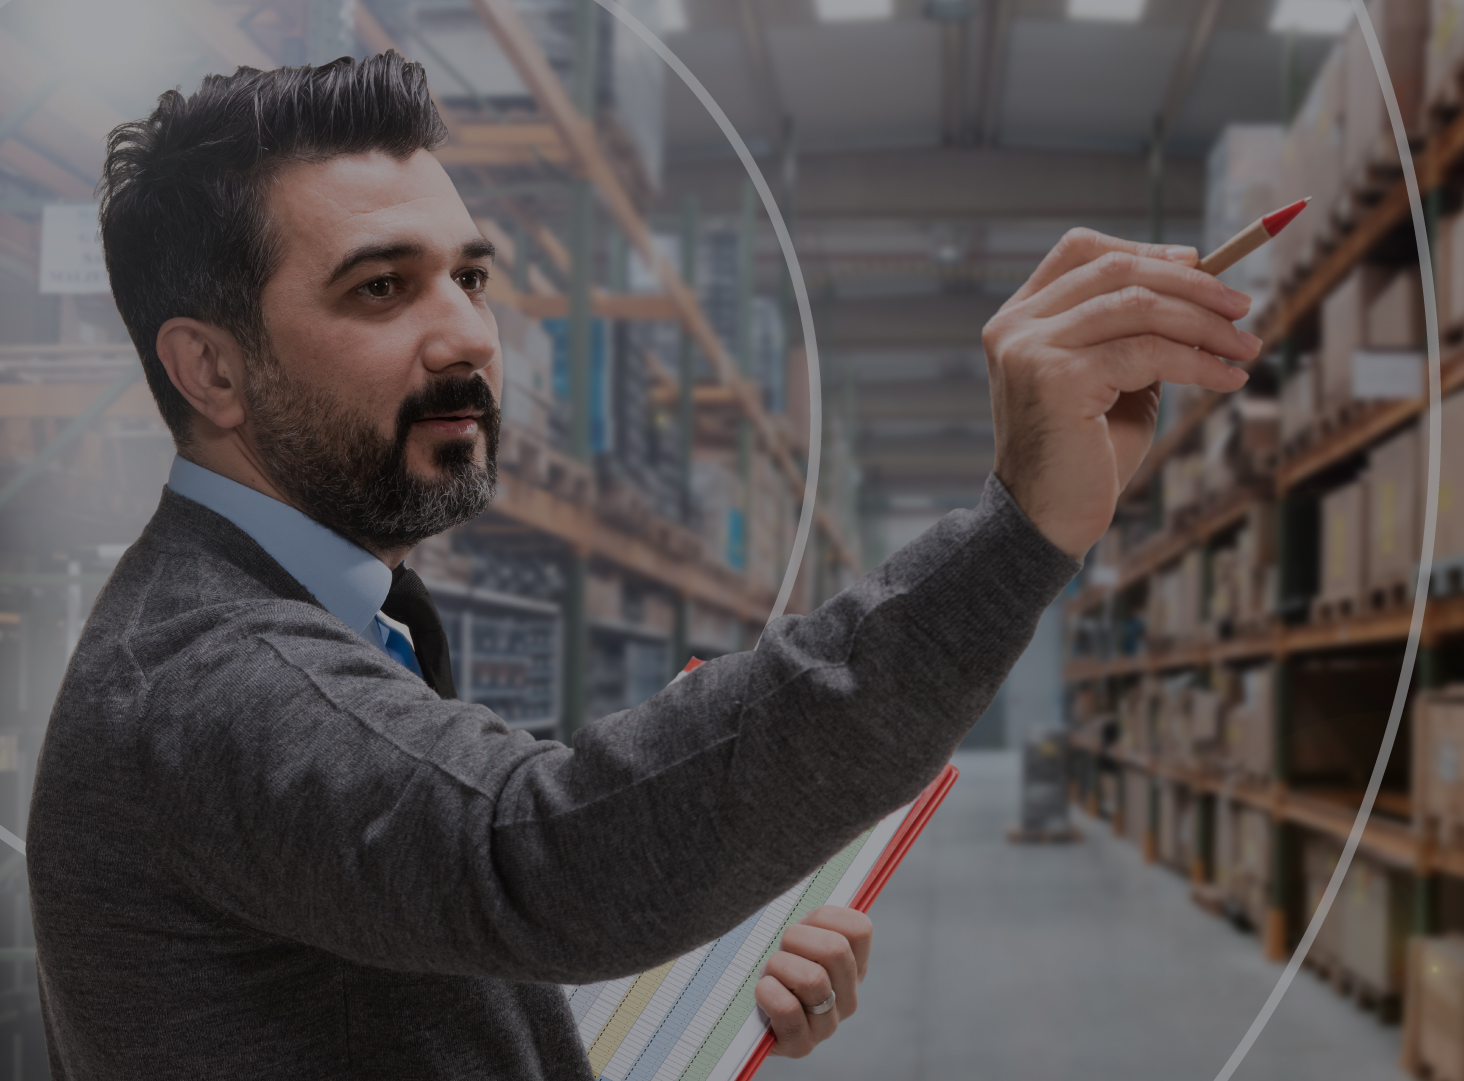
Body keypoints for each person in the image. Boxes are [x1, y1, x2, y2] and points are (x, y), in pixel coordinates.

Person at [27, 53, 1255, 1079]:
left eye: (467, 274)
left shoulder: (345, 613)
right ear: (212, 370)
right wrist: (1015, 533)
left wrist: (691, 981)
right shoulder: (204, 677)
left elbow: (412, 961)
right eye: (380, 288)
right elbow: (539, 857)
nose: (466, 332)